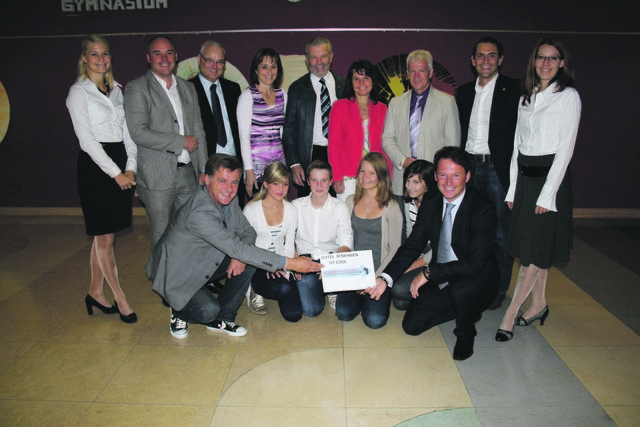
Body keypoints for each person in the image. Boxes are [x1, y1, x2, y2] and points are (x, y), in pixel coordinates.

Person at [145, 154, 321, 339]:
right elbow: (237, 244)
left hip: (205, 260)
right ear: (206, 180)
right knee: (208, 312)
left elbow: (248, 232)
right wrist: (289, 263)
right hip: (177, 273)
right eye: (222, 181)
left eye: (235, 182)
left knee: (246, 258)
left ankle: (225, 318)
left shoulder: (229, 200)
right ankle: (178, 311)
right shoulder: (200, 212)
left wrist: (238, 256)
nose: (229, 189)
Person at [495, 38, 581, 342]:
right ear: (534, 62)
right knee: (536, 248)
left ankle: (510, 313)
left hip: (549, 183)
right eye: (541, 58)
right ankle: (539, 303)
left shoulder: (568, 96)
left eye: (552, 58)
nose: (545, 63)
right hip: (526, 180)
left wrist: (548, 194)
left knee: (532, 254)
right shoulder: (526, 97)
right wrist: (512, 190)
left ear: (561, 63)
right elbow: (518, 148)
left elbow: (565, 150)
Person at [377, 146, 498, 361]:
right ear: (435, 176)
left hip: (474, 276)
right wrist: (385, 278)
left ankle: (465, 331)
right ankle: (465, 309)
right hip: (441, 273)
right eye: (443, 175)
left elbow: (475, 264)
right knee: (411, 326)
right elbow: (413, 245)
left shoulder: (482, 208)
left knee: (462, 290)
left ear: (467, 176)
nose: (449, 182)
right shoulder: (431, 203)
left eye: (456, 175)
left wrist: (429, 273)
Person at [66, 35, 137, 324]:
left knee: (103, 235)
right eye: (94, 54)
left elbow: (128, 134)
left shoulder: (118, 91)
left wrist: (131, 167)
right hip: (96, 168)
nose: (100, 59)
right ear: (84, 58)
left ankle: (95, 291)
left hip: (121, 160)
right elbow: (87, 141)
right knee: (104, 236)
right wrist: (116, 173)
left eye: (105, 54)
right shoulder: (78, 92)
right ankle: (120, 297)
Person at [455, 36, 521, 310]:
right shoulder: (465, 92)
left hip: (497, 169)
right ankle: (475, 282)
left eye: (491, 55)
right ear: (472, 61)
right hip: (469, 167)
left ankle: (498, 288)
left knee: (500, 234)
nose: (486, 60)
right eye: (480, 56)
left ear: (500, 60)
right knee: (470, 230)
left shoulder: (514, 89)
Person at [124, 35, 207, 250]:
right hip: (157, 178)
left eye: (169, 52)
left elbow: (198, 130)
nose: (164, 58)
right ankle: (162, 284)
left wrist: (204, 169)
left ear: (176, 56)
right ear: (148, 57)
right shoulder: (137, 88)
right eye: (157, 53)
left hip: (188, 174)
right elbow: (138, 132)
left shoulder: (187, 88)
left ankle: (190, 282)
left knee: (192, 232)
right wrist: (180, 142)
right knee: (162, 238)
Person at [382, 49, 460, 209]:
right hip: (402, 182)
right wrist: (404, 162)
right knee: (402, 232)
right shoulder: (395, 103)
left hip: (434, 182)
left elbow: (452, 147)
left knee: (432, 231)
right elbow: (387, 139)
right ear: (407, 73)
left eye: (421, 71)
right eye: (412, 71)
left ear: (431, 73)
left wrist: (436, 171)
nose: (416, 76)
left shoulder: (447, 102)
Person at [336, 152, 402, 329]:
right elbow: (346, 240)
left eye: (372, 173)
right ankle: (361, 297)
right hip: (355, 271)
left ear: (381, 175)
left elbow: (396, 249)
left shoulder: (391, 206)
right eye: (362, 171)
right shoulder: (350, 201)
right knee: (343, 313)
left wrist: (376, 277)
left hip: (380, 272)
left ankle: (375, 300)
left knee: (374, 321)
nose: (365, 177)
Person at [282, 36, 345, 197]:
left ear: (331, 57)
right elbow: (289, 130)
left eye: (323, 56)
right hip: (307, 158)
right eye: (314, 57)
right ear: (307, 60)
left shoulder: (345, 85)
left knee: (338, 208)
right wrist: (294, 164)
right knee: (308, 211)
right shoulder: (296, 88)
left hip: (339, 157)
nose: (319, 61)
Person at [292, 160, 352, 315]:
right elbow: (287, 237)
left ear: (331, 182)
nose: (319, 185)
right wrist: (295, 259)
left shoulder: (340, 207)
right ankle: (319, 288)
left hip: (331, 259)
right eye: (314, 180)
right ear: (307, 181)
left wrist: (333, 267)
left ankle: (331, 288)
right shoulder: (296, 206)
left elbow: (346, 241)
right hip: (306, 259)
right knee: (312, 310)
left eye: (324, 180)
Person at [243, 162, 301, 321]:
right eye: (275, 183)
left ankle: (281, 283)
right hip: (257, 264)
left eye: (285, 184)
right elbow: (244, 247)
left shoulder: (291, 209)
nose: (281, 189)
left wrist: (287, 269)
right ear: (266, 184)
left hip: (281, 261)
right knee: (282, 289)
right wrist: (267, 265)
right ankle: (255, 289)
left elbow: (289, 243)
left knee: (294, 315)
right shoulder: (251, 209)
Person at [328, 59, 390, 201]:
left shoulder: (382, 108)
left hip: (374, 176)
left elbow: (385, 145)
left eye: (366, 78)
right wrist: (336, 176)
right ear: (351, 82)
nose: (361, 83)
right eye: (356, 78)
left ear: (373, 81)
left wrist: (386, 176)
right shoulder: (339, 107)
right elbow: (334, 145)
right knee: (347, 219)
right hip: (347, 177)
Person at [237, 48, 287, 197]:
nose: (269, 71)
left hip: (279, 167)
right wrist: (249, 170)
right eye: (264, 66)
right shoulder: (247, 97)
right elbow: (243, 137)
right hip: (256, 169)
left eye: (273, 66)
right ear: (256, 70)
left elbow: (283, 133)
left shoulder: (283, 95)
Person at [390, 159, 436, 310]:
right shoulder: (409, 202)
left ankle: (436, 293)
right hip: (419, 252)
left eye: (416, 182)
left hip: (435, 259)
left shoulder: (437, 206)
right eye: (408, 181)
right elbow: (412, 238)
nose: (409, 186)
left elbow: (439, 248)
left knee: (398, 289)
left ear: (428, 183)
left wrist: (410, 266)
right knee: (399, 301)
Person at [189, 40, 242, 164]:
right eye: (209, 60)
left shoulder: (233, 89)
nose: (214, 66)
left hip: (234, 162)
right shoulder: (188, 89)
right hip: (205, 163)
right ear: (199, 59)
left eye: (219, 62)